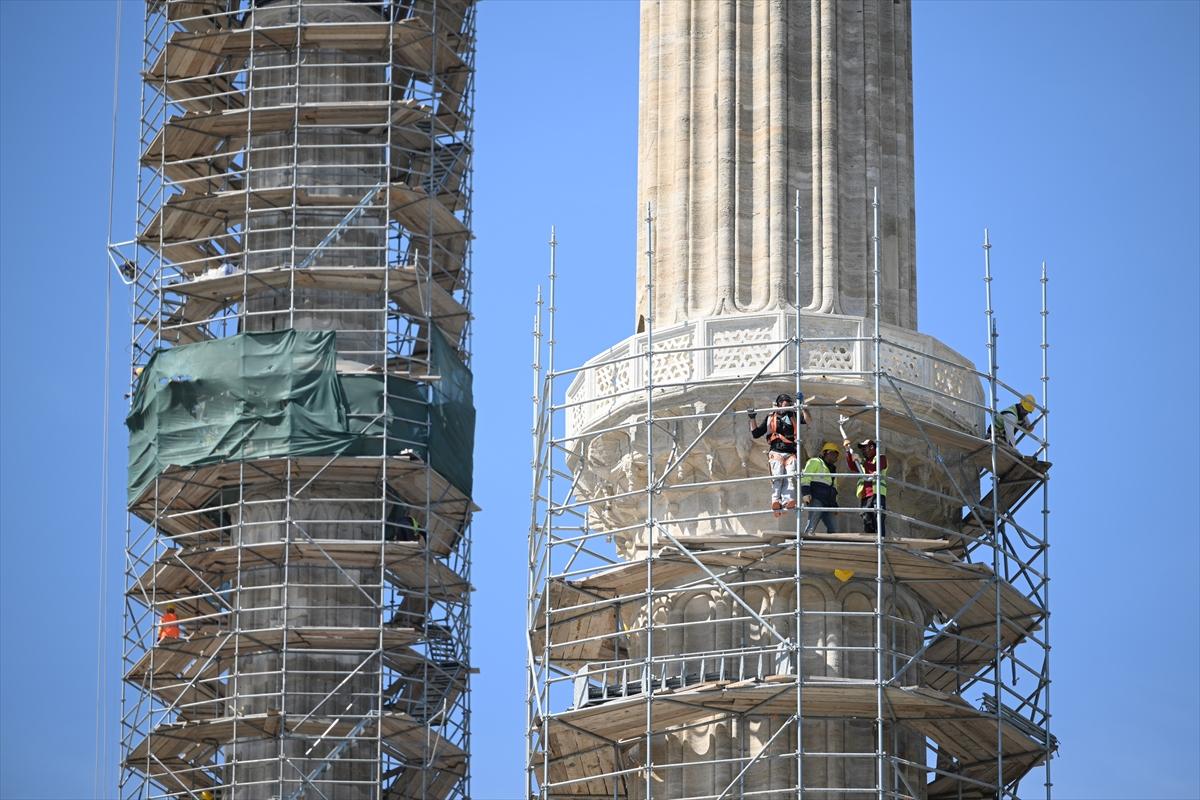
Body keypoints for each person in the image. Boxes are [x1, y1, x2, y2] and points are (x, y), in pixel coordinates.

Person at [748, 393, 811, 516]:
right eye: (786, 403)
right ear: (779, 404)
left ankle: (788, 501)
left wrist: (804, 407)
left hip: (791, 452)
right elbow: (756, 433)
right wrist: (752, 418)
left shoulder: (793, 416)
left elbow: (808, 421)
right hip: (776, 451)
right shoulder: (770, 417)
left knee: (790, 477)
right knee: (778, 477)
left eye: (789, 403)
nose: (787, 405)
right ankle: (776, 500)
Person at [845, 438, 888, 536]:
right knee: (867, 520)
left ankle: (880, 540)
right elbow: (852, 466)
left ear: (872, 447)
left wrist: (861, 461)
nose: (863, 451)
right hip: (864, 496)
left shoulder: (881, 458)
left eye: (865, 448)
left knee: (878, 519)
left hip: (877, 494)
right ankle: (871, 540)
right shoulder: (864, 462)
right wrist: (848, 451)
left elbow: (875, 467)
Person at [801, 442, 842, 534]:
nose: (836, 457)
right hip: (817, 498)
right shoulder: (815, 461)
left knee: (834, 529)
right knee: (812, 524)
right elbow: (806, 477)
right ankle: (804, 541)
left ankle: (833, 543)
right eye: (834, 454)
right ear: (826, 453)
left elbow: (834, 488)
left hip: (829, 502)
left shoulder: (833, 469)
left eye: (837, 455)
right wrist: (805, 492)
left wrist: (835, 504)